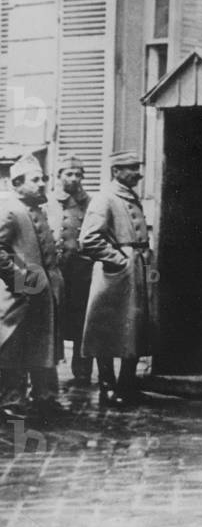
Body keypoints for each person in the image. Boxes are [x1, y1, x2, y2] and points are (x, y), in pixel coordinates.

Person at [79, 151, 153, 406]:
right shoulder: (105, 198)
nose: (137, 173)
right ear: (116, 171)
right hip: (116, 274)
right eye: (131, 168)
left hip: (136, 270)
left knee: (134, 328)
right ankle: (108, 386)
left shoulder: (130, 196)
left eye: (137, 167)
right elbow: (89, 239)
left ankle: (127, 384)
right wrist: (119, 260)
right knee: (106, 329)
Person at [0, 154, 64, 422]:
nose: (41, 184)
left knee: (44, 344)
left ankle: (44, 396)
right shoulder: (11, 210)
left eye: (43, 179)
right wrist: (22, 280)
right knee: (14, 346)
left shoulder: (39, 209)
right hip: (21, 295)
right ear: (17, 184)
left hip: (45, 294)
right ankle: (12, 399)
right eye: (35, 180)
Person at [46, 154, 93, 386]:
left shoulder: (91, 202)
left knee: (83, 321)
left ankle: (82, 370)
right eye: (69, 174)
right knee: (53, 320)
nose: (74, 178)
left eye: (78, 174)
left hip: (83, 272)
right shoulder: (48, 202)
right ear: (59, 176)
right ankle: (48, 372)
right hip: (56, 271)